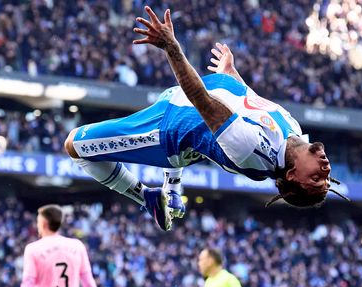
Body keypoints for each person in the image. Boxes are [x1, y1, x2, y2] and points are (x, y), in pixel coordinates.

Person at [64, 7, 347, 232]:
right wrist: (231, 74)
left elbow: (202, 100)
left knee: (75, 146)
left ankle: (147, 196)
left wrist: (171, 47)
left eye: (316, 178)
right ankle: (173, 185)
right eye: (328, 176)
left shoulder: (253, 149)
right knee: (192, 124)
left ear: (291, 175)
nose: (325, 169)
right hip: (185, 111)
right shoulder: (293, 131)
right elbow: (249, 102)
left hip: (168, 128)